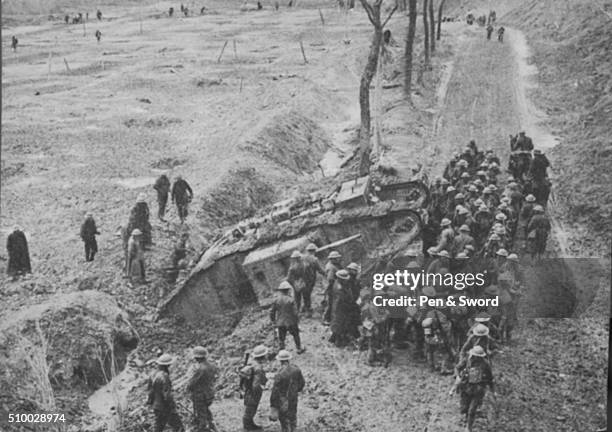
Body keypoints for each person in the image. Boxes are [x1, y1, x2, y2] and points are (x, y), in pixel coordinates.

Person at [452, 346, 495, 432]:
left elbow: (490, 378)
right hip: (466, 387)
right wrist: (457, 377)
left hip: (478, 389)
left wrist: (493, 390)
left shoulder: (485, 364)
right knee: (464, 408)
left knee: (472, 409)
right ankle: (466, 417)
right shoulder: (467, 360)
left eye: (478, 357)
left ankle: (469, 427)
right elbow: (457, 367)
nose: (476, 358)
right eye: (475, 356)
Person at [147, 354, 184, 432]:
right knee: (179, 427)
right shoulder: (164, 376)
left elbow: (150, 391)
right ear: (166, 366)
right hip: (164, 407)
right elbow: (167, 395)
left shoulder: (153, 374)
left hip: (156, 406)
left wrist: (151, 402)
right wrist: (172, 405)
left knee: (158, 427)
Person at [269, 350, 305, 432]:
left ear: (280, 361)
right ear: (288, 359)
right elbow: (302, 383)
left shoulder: (279, 374)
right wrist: (295, 391)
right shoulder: (297, 370)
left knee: (284, 420)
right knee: (293, 416)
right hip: (293, 398)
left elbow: (275, 391)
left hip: (283, 400)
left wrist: (273, 404)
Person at [186, 346, 217, 432]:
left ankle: (203, 428)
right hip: (209, 392)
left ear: (196, 357)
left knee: (201, 413)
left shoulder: (199, 369)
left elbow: (192, 382)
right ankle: (211, 424)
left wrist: (188, 388)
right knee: (205, 409)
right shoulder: (212, 365)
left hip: (200, 394)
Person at [270, 281, 305, 353]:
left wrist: (273, 321)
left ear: (280, 291)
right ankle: (298, 348)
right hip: (291, 321)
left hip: (281, 322)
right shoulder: (291, 299)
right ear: (288, 290)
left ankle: (282, 352)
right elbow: (295, 312)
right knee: (296, 335)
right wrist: (297, 321)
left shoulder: (276, 300)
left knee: (281, 338)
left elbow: (272, 312)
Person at [240, 345, 269, 431]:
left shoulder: (251, 363)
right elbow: (256, 385)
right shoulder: (258, 368)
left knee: (250, 408)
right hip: (253, 392)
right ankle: (248, 427)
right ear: (262, 356)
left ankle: (250, 424)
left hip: (248, 389)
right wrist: (257, 392)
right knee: (250, 409)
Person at [330, 269, 354, 347]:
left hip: (338, 307)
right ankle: (338, 341)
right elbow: (343, 299)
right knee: (339, 324)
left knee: (337, 323)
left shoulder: (337, 283)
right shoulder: (340, 288)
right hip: (340, 308)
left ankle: (334, 337)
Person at [301, 243, 324, 316]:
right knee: (307, 294)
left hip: (301, 279)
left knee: (305, 294)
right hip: (310, 280)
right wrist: (326, 274)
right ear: (314, 251)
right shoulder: (314, 259)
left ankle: (304, 307)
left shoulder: (301, 258)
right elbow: (320, 270)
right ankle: (308, 311)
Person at [323, 251, 342, 325]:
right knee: (330, 303)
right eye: (337, 258)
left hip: (333, 287)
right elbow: (330, 279)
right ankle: (326, 318)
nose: (338, 259)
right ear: (332, 259)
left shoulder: (335, 265)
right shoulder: (331, 267)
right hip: (331, 288)